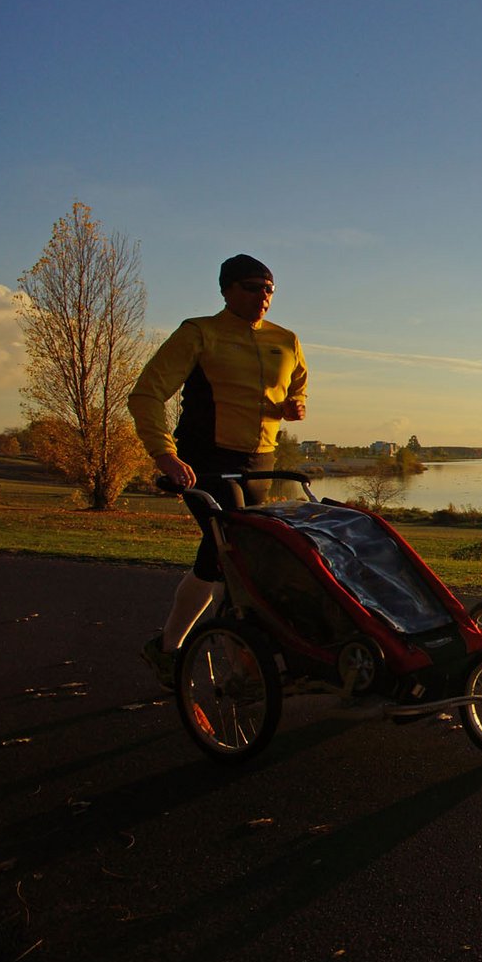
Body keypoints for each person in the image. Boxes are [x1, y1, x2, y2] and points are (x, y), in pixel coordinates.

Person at [129, 254, 308, 685]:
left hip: (259, 463)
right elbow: (146, 394)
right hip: (205, 461)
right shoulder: (200, 333)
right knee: (232, 557)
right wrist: (165, 455)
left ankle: (171, 648)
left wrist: (292, 406)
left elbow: (298, 383)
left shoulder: (286, 339)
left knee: (225, 557)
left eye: (269, 289)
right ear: (226, 290)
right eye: (251, 286)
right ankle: (238, 666)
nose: (262, 296)